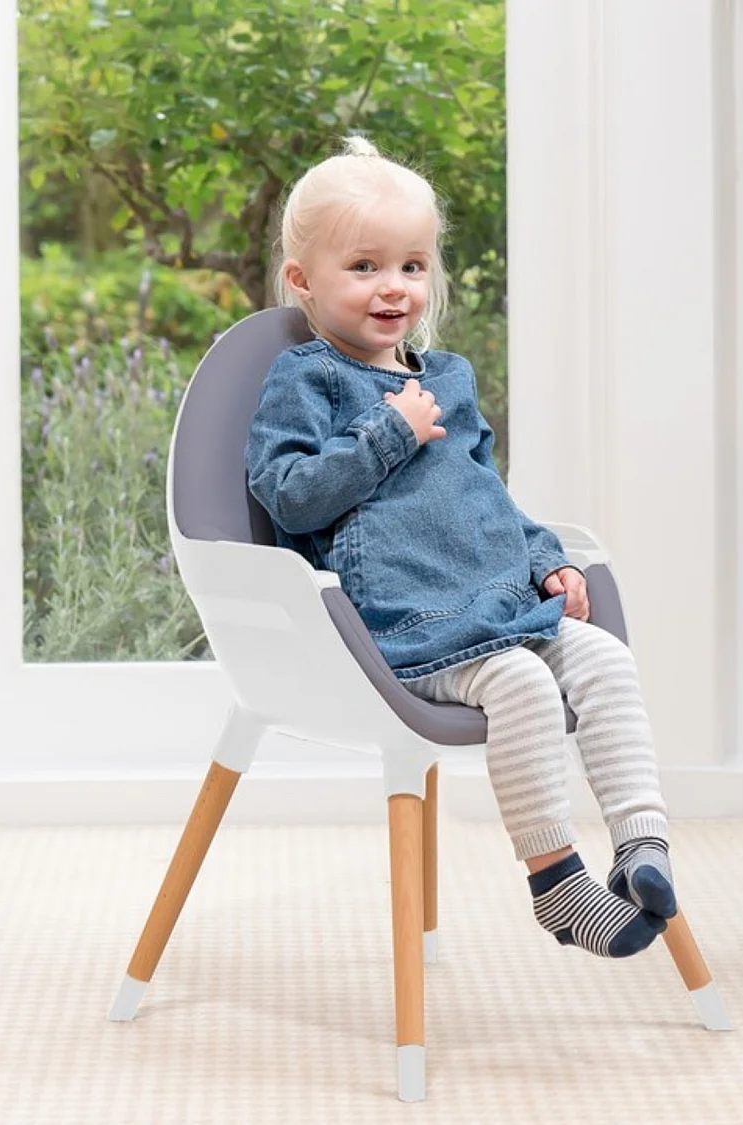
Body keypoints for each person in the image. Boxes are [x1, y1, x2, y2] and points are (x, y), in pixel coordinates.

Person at [246, 136, 674, 958]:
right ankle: (557, 883)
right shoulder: (307, 380)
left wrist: (545, 553)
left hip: (502, 595)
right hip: (410, 624)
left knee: (607, 659)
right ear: (303, 280)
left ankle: (641, 844)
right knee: (520, 683)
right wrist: (384, 434)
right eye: (364, 266)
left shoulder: (450, 378)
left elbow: (487, 492)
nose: (393, 288)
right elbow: (288, 496)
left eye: (411, 266)